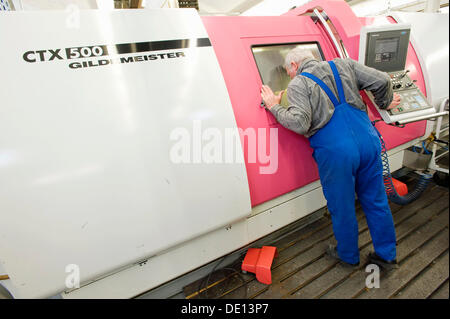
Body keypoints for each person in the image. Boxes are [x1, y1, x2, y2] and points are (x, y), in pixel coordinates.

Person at [260, 47, 401, 269]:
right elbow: (382, 80)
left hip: (337, 152)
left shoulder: (298, 84)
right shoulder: (345, 64)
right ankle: (387, 256)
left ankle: (348, 256)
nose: (290, 77)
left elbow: (299, 123)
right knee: (376, 200)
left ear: (294, 66)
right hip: (368, 140)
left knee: (342, 205)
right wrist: (384, 102)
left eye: (289, 72)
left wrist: (274, 106)